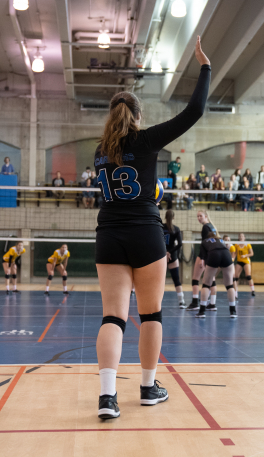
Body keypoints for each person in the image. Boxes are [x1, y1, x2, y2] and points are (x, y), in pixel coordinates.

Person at [93, 36, 211, 419]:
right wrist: (204, 67)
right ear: (138, 116)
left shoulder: (99, 152)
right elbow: (194, 111)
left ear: (111, 118)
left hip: (109, 235)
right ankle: (147, 388)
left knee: (113, 317)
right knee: (151, 315)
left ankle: (108, 398)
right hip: (146, 232)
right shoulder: (145, 140)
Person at [195, 230, 237, 319]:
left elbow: (203, 256)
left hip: (214, 254)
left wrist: (208, 268)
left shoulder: (204, 242)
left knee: (206, 284)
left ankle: (202, 311)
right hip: (226, 254)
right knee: (229, 285)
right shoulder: (221, 240)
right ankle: (233, 311)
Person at [186, 209, 216, 311]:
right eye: (197, 216)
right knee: (211, 280)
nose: (199, 218)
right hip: (212, 255)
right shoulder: (213, 227)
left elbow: (204, 244)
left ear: (206, 216)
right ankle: (212, 303)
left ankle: (195, 302)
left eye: (200, 216)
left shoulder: (205, 227)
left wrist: (202, 259)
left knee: (195, 278)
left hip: (204, 255)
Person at [163, 210, 186, 308]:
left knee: (158, 280)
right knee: (176, 279)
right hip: (172, 255)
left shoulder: (160, 227)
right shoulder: (176, 229)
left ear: (165, 217)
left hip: (161, 254)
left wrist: (165, 252)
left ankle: (156, 302)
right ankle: (181, 301)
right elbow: (180, 244)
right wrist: (169, 252)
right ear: (173, 217)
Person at [235, 233, 255, 297]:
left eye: (242, 236)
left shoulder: (247, 244)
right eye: (240, 236)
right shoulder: (236, 244)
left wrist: (245, 255)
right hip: (239, 261)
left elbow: (252, 253)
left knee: (248, 276)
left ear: (244, 237)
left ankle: (253, 290)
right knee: (235, 277)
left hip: (246, 261)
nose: (241, 237)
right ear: (238, 237)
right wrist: (232, 259)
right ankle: (235, 291)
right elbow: (235, 253)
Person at [222, 235, 237, 303]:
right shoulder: (221, 246)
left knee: (233, 278)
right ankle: (209, 294)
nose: (227, 241)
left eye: (228, 240)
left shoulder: (232, 247)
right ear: (223, 240)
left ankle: (235, 295)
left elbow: (232, 259)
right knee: (213, 276)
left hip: (230, 263)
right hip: (221, 262)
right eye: (225, 240)